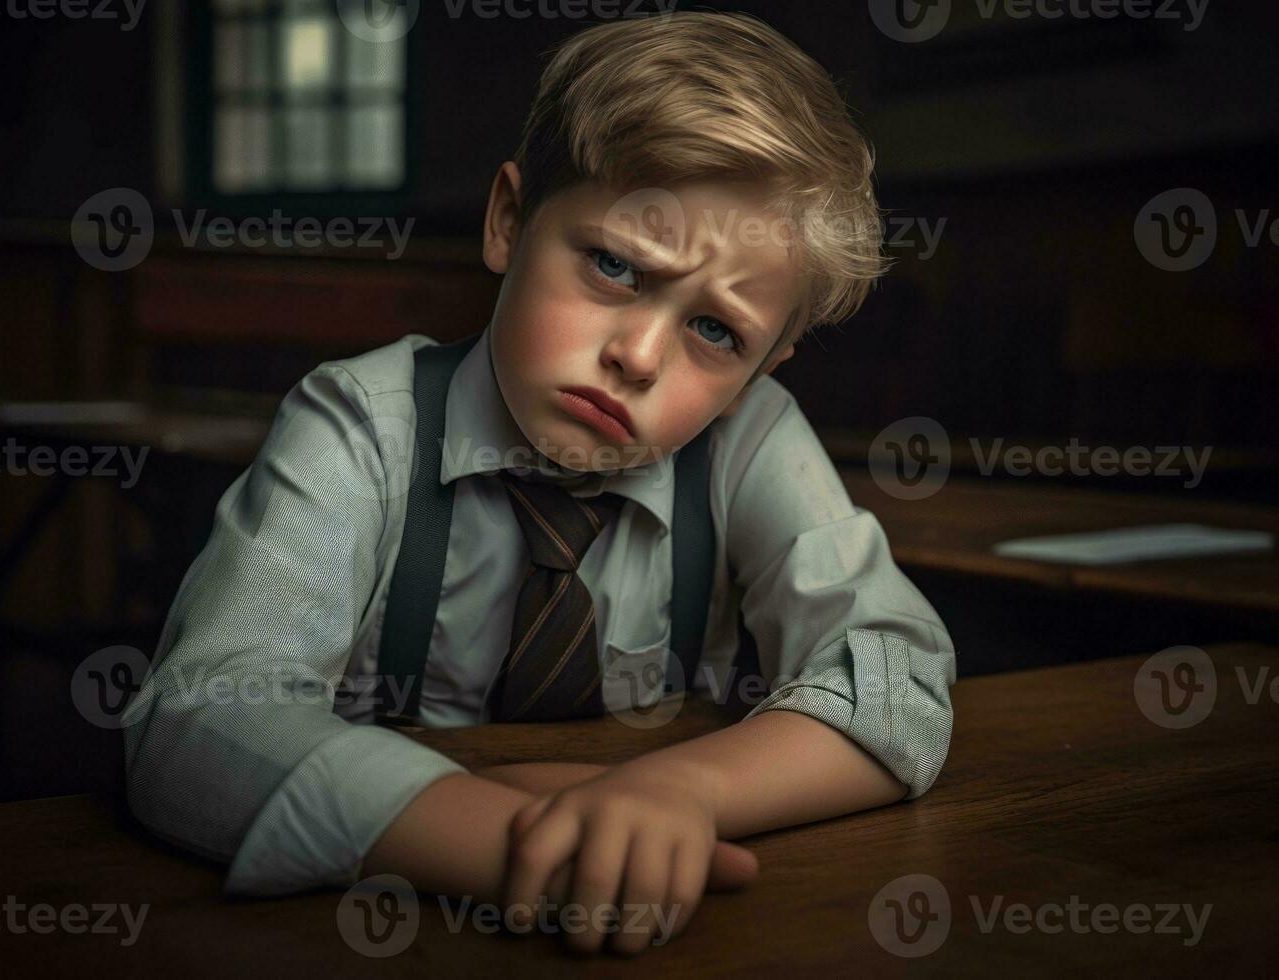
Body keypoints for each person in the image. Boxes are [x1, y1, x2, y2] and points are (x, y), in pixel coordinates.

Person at [124, 10, 956, 957]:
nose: (638, 357)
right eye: (613, 266)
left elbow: (895, 688)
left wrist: (682, 789)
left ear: (765, 369)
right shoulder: (361, 424)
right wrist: (517, 842)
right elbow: (198, 721)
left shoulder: (749, 440)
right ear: (509, 220)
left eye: (715, 333)